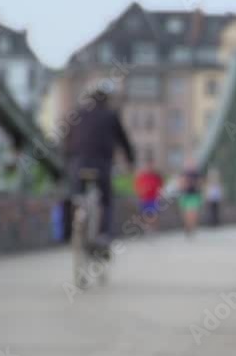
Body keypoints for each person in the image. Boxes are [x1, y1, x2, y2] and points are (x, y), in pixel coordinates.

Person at [63, 87, 135, 246]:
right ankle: (104, 235)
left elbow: (66, 139)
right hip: (101, 162)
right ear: (106, 100)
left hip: (78, 162)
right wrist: (131, 160)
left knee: (75, 196)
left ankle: (70, 231)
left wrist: (67, 160)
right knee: (106, 200)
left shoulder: (78, 114)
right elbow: (124, 141)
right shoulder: (110, 115)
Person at [134, 157, 164, 231]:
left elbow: (161, 185)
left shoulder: (156, 175)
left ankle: (153, 228)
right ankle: (149, 228)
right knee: (146, 214)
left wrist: (160, 194)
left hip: (154, 198)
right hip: (145, 198)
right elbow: (137, 186)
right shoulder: (142, 176)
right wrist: (140, 192)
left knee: (154, 214)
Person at [178, 158, 202, 236]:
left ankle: (192, 228)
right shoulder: (183, 173)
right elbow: (181, 184)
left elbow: (199, 184)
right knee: (186, 213)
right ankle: (188, 227)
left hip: (194, 195)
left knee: (193, 213)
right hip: (186, 195)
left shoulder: (197, 174)